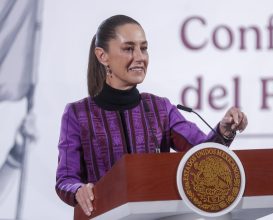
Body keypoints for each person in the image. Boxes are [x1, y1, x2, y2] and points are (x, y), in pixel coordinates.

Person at [55, 15, 248, 217]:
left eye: (144, 48)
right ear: (102, 56)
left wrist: (224, 132)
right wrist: (78, 190)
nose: (140, 57)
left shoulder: (160, 108)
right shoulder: (77, 114)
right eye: (128, 48)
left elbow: (202, 156)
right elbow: (65, 179)